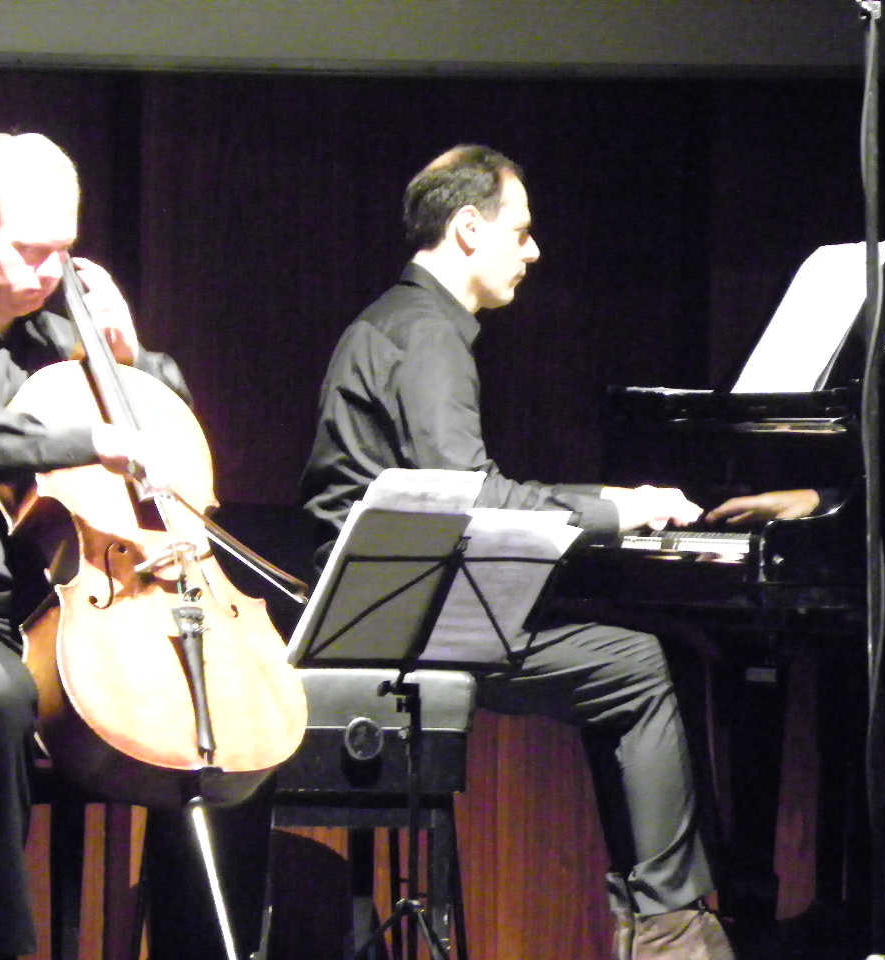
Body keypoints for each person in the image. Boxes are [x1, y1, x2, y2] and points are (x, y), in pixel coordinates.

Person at [300, 145, 736, 960]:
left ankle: (662, 919)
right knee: (642, 665)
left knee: (636, 658)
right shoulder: (428, 336)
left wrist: (607, 506)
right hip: (397, 623)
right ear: (469, 228)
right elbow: (472, 495)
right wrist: (619, 509)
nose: (533, 252)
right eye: (521, 231)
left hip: (386, 608)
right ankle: (671, 930)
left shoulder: (400, 321)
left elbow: (462, 493)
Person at [0, 132, 262, 960]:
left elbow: (162, 420)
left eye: (64, 251)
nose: (52, 272)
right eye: (33, 252)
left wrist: (129, 359)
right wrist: (82, 439)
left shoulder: (52, 339)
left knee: (212, 700)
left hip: (52, 621)